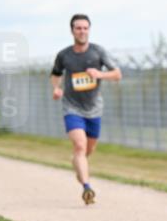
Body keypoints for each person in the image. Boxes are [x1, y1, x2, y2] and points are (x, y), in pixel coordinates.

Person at [50, 14, 122, 205]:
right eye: (78, 28)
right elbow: (56, 74)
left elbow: (117, 74)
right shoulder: (64, 55)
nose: (82, 31)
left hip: (94, 109)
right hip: (71, 106)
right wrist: (56, 88)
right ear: (72, 30)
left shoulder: (98, 52)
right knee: (79, 146)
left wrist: (100, 74)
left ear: (89, 30)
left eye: (85, 28)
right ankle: (87, 187)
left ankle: (80, 168)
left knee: (87, 151)